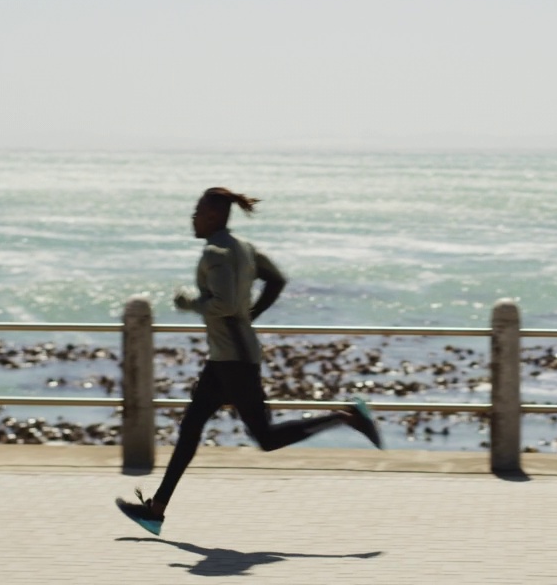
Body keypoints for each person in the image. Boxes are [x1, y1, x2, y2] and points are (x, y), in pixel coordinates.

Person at [117, 187, 382, 535]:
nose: (192, 217)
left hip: (234, 361)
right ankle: (156, 510)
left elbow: (224, 304)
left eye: (197, 211)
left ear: (212, 215)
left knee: (265, 438)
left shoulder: (215, 252)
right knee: (190, 429)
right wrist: (250, 315)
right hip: (226, 357)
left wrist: (189, 303)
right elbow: (276, 280)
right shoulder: (244, 248)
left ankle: (346, 417)